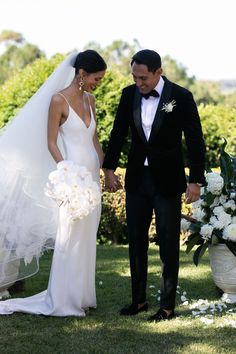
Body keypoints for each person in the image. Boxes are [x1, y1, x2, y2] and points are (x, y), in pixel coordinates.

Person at [0, 49, 106, 316]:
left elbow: (94, 140)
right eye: (97, 78)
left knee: (87, 238)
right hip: (71, 180)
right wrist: (66, 174)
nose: (98, 83)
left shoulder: (91, 100)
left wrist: (106, 169)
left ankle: (82, 296)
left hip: (91, 179)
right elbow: (51, 142)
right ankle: (63, 299)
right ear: (82, 74)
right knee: (69, 238)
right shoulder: (58, 101)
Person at [103, 49, 205, 322]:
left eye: (143, 77)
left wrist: (195, 180)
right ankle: (138, 302)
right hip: (137, 179)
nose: (139, 83)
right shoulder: (128, 95)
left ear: (158, 72)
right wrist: (109, 168)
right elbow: (117, 134)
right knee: (136, 241)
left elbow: (195, 140)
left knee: (168, 242)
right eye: (135, 77)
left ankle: (167, 306)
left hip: (168, 180)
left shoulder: (181, 97)